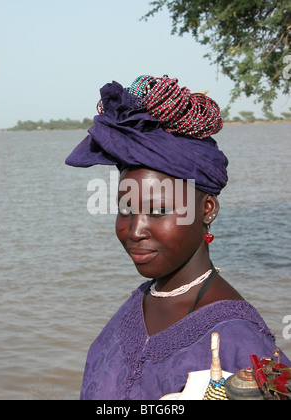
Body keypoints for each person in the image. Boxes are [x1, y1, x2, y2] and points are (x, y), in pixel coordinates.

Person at [66, 75, 290, 400]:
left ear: (207, 208)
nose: (134, 229)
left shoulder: (237, 340)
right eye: (126, 209)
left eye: (158, 211)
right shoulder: (137, 306)